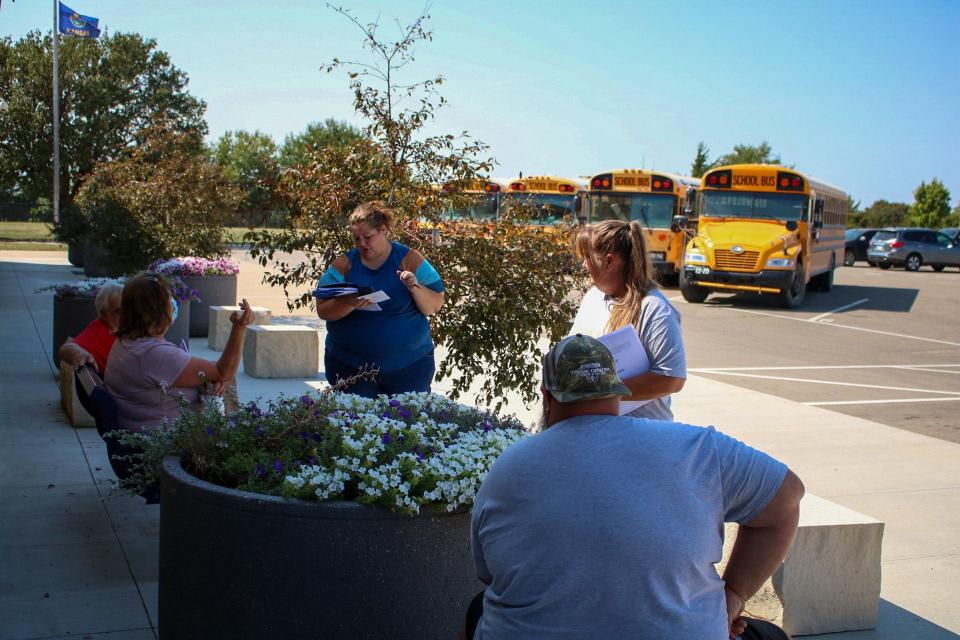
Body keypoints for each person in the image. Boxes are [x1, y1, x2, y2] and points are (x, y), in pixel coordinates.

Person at [468, 334, 804, 640]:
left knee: (479, 609)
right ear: (618, 393)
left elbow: (488, 574)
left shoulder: (507, 469)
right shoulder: (697, 448)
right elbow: (787, 497)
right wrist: (733, 596)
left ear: (547, 397)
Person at [315, 200, 445, 397]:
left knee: (407, 423)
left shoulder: (410, 259)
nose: (362, 244)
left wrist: (415, 287)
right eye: (356, 239)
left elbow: (434, 305)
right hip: (350, 368)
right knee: (354, 424)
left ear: (383, 230)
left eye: (368, 237)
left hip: (410, 367)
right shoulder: (344, 264)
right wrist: (348, 303)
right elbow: (323, 309)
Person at [104, 272, 253, 432]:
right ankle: (238, 436)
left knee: (219, 380)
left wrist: (210, 379)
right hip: (163, 441)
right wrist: (239, 327)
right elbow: (224, 371)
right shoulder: (153, 354)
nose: (173, 303)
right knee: (226, 380)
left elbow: (214, 373)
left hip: (142, 429)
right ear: (158, 310)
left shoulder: (127, 342)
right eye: (169, 298)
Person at [570, 219, 686, 420]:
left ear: (609, 261)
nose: (584, 265)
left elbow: (672, 379)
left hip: (642, 438)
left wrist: (603, 392)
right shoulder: (593, 297)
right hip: (597, 429)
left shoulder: (655, 309)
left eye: (588, 257)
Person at [58, 281, 123, 373]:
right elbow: (65, 348)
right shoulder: (98, 331)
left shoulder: (124, 331)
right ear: (104, 314)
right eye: (120, 311)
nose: (129, 313)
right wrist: (80, 353)